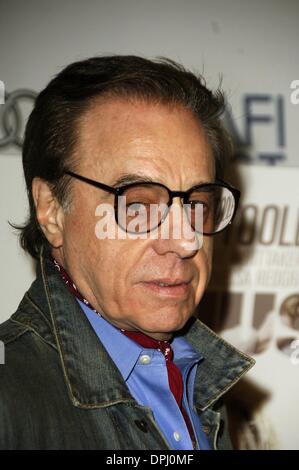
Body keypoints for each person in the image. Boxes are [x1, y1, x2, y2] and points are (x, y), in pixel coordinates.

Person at [0, 55, 254, 450]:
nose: (187, 242)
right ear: (51, 210)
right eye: (137, 206)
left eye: (197, 205)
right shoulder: (10, 401)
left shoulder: (197, 379)